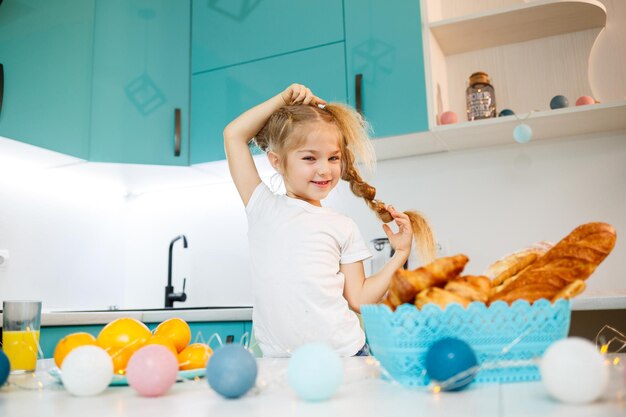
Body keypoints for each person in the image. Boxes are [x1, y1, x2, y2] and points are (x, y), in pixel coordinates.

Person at [224, 84, 435, 357]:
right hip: (281, 362)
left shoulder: (342, 226)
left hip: (345, 356)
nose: (324, 169)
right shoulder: (262, 205)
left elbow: (359, 299)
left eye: (333, 158)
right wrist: (282, 99)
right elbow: (233, 135)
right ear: (276, 161)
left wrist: (401, 253)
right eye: (310, 158)